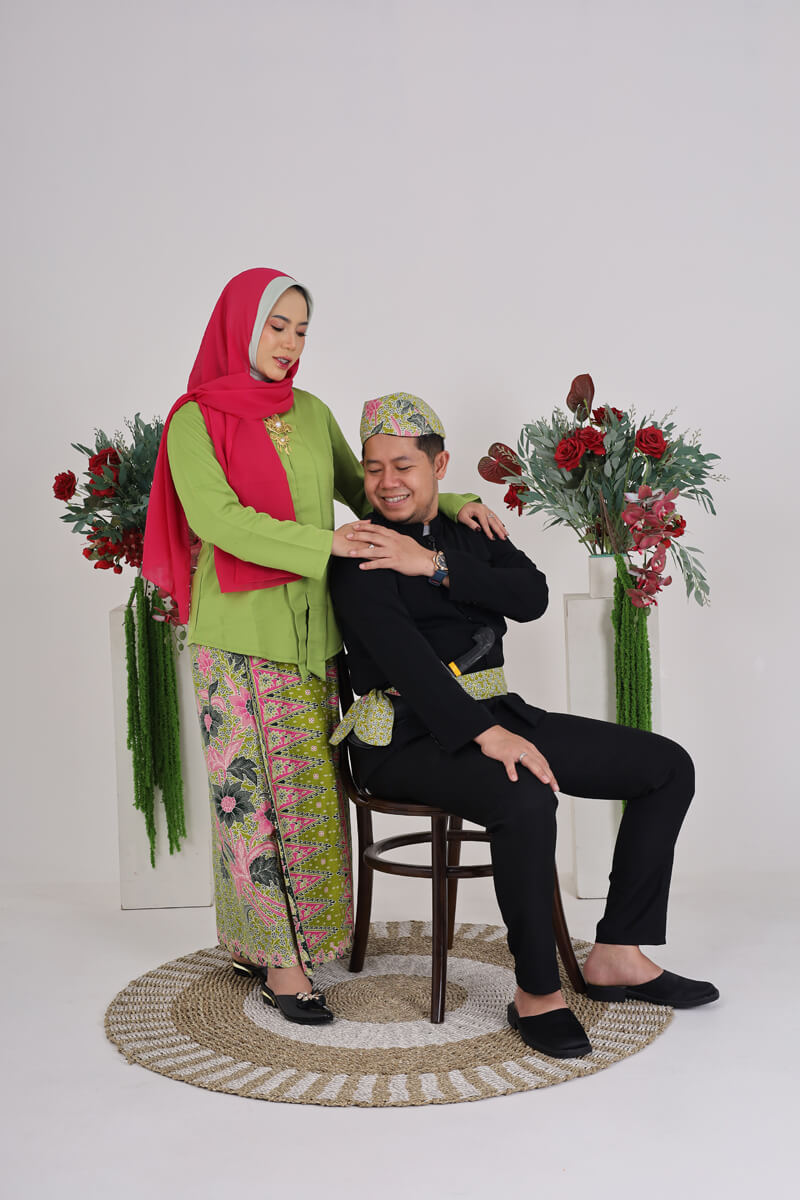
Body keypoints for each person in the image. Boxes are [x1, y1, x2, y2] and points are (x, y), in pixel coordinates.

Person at [142, 273, 501, 1025]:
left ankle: (279, 940)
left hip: (312, 635)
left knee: (307, 795)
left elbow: (371, 489)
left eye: (301, 329)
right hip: (238, 638)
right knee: (253, 803)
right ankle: (282, 964)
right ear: (241, 326)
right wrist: (323, 544)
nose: (290, 342)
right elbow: (218, 520)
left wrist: (453, 499)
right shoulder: (193, 420)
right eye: (277, 326)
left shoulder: (309, 412)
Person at [330, 392, 719, 1058]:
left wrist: (436, 566)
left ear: (439, 465)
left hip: (495, 713)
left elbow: (530, 596)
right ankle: (537, 993)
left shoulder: (471, 530)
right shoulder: (359, 550)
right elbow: (408, 665)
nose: (387, 481)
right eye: (373, 468)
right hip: (400, 738)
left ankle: (618, 953)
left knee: (666, 767)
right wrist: (490, 737)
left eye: (403, 465)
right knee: (524, 794)